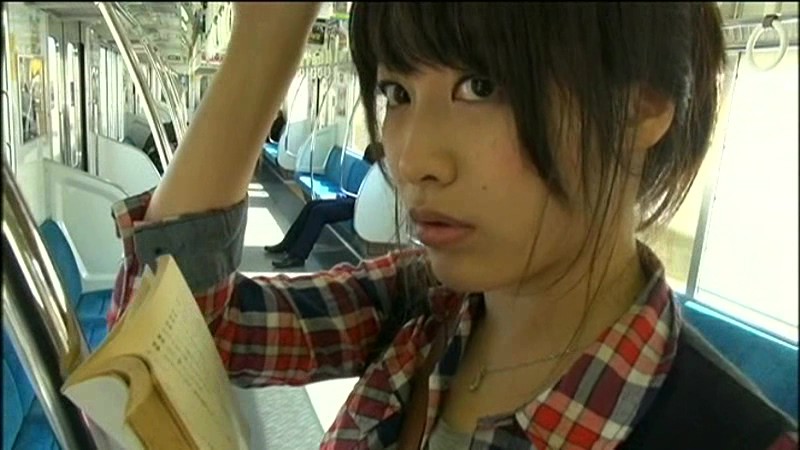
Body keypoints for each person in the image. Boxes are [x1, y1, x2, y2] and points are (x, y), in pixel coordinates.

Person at [106, 3, 797, 449]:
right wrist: (267, 35)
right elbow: (175, 333)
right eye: (398, 93)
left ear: (640, 106)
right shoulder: (424, 306)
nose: (411, 159)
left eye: (481, 86)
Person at [264, 142, 379, 268]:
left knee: (319, 212)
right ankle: (287, 244)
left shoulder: (380, 177)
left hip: (360, 206)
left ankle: (298, 256)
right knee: (311, 205)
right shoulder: (374, 173)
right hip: (353, 199)